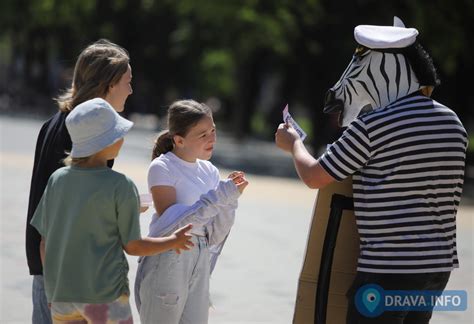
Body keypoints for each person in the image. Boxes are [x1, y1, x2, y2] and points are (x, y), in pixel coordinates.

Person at [275, 18, 468, 324]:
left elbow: (314, 176)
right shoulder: (453, 124)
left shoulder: (374, 125)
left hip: (388, 269)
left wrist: (294, 144)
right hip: (436, 268)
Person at [30, 98, 195, 323]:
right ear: (105, 142)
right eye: (118, 133)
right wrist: (173, 241)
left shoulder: (57, 180)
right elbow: (134, 246)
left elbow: (44, 242)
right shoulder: (120, 185)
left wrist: (51, 289)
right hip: (104, 296)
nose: (122, 138)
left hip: (62, 296)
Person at [26, 39, 133, 324]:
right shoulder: (90, 135)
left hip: (50, 263)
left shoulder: (57, 122)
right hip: (69, 275)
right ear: (109, 84)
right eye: (127, 81)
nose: (131, 90)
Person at [134, 100, 248, 324]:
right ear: (179, 140)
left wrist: (230, 201)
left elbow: (215, 233)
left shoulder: (210, 170)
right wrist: (222, 196)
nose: (212, 139)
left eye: (213, 130)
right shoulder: (162, 166)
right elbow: (175, 226)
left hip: (200, 259)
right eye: (203, 134)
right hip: (168, 258)